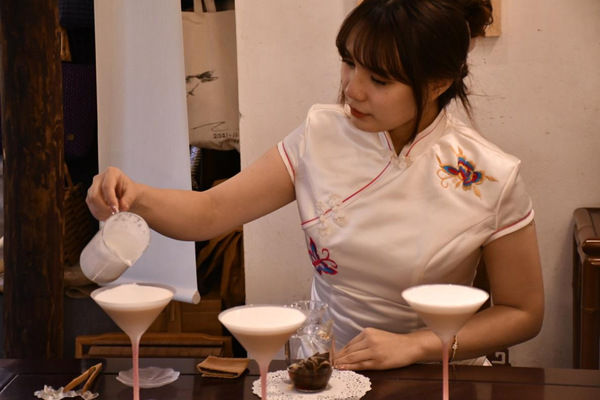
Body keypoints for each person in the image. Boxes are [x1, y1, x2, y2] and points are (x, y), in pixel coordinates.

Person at [86, 0, 544, 370]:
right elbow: (209, 213)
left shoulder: (489, 176)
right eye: (349, 63)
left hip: (434, 372)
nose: (352, 90)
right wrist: (135, 195)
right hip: (326, 368)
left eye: (379, 79)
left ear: (438, 83)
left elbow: (523, 312)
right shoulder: (320, 135)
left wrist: (417, 346)